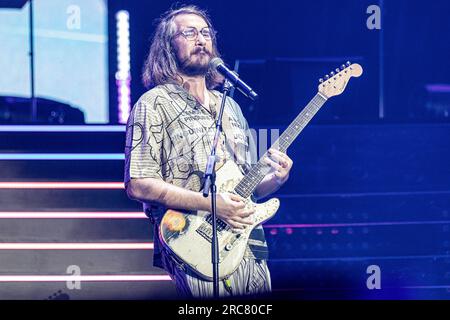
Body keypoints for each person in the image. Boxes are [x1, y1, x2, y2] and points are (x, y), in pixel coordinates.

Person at [124, 5, 293, 298]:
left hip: (246, 240)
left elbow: (246, 187)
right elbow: (138, 183)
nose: (200, 39)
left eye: (205, 33)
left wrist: (276, 179)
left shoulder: (230, 106)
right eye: (189, 33)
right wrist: (212, 204)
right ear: (167, 46)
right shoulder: (153, 104)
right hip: (192, 239)